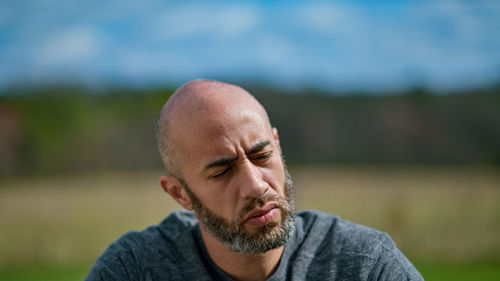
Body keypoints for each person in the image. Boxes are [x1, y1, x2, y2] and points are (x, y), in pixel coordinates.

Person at [85, 79, 424, 281]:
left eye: (262, 156)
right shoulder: (134, 270)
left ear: (277, 144)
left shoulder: (362, 266)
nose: (256, 186)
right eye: (221, 171)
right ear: (180, 194)